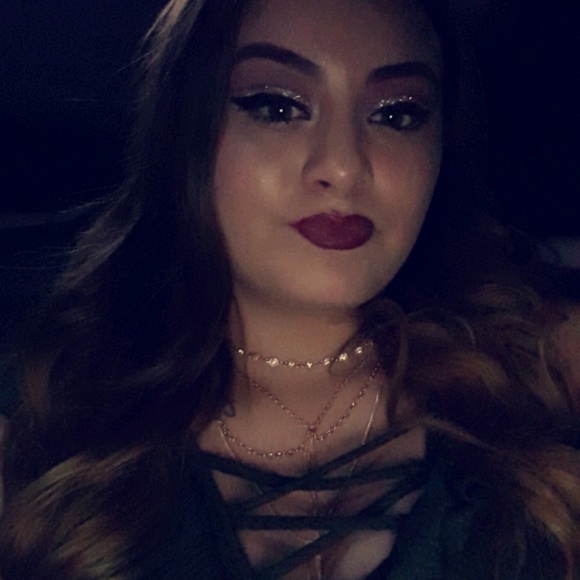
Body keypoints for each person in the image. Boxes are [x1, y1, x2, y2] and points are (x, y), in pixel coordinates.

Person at [0, 0, 579, 578]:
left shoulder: (543, 370)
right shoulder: (50, 410)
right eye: (276, 107)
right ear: (185, 134)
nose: (344, 167)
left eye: (397, 114)